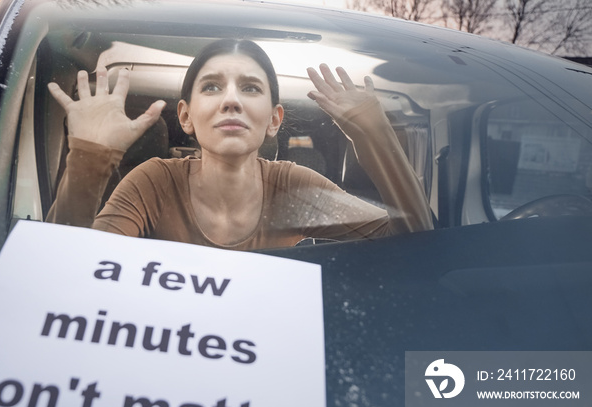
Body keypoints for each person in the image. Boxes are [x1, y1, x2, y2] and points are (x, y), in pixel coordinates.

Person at [46, 39, 432, 250]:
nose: (231, 100)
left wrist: (375, 134)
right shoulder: (154, 183)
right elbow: (67, 276)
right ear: (186, 116)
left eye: (250, 87)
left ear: (273, 120)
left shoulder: (294, 186)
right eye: (211, 86)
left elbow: (416, 243)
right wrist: (89, 157)